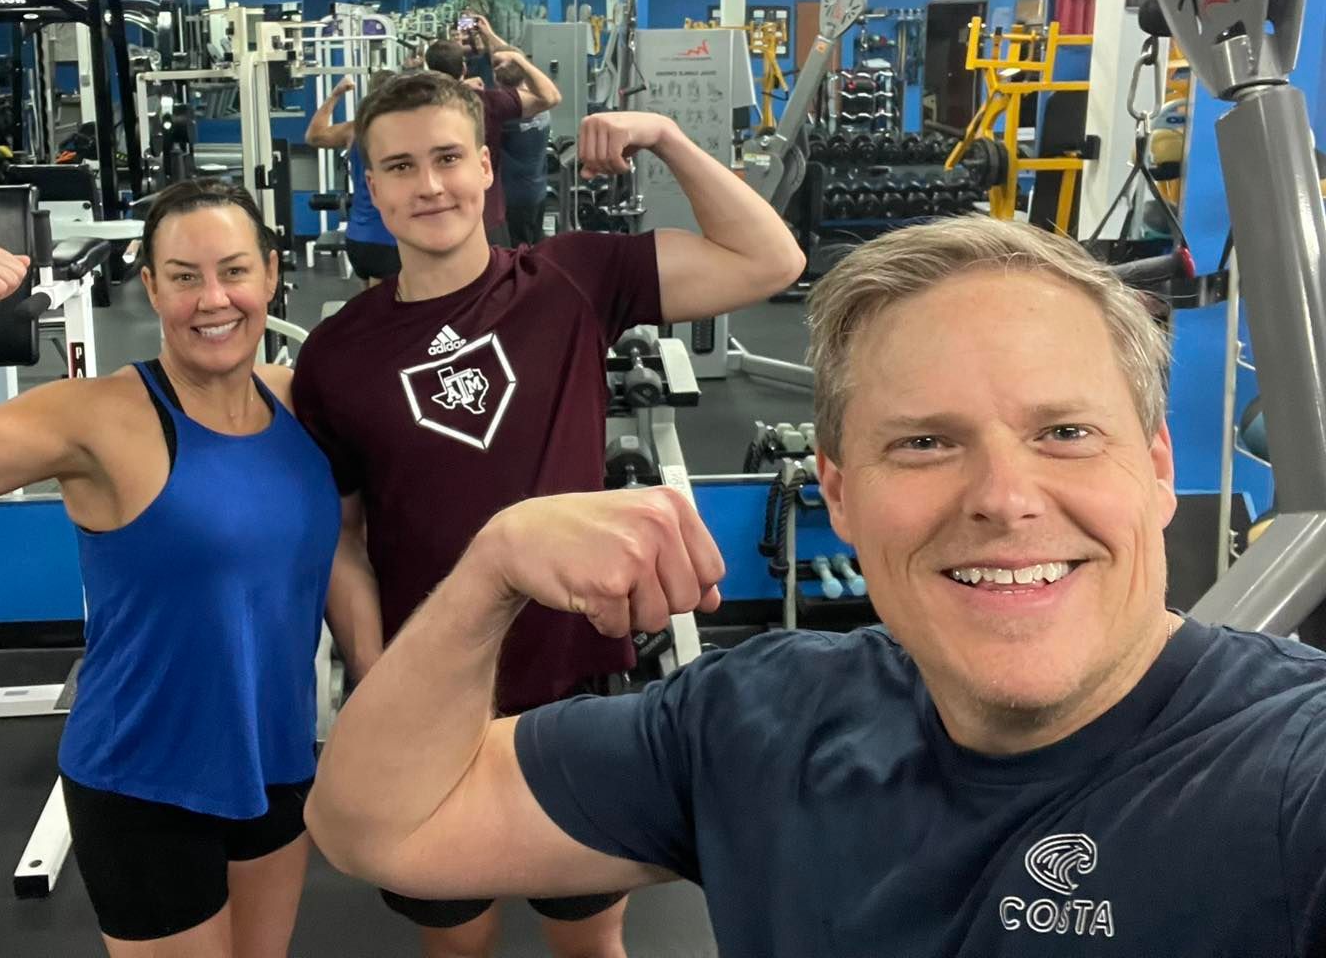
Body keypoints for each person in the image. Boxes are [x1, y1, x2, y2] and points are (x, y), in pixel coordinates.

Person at [303, 215, 1326, 957]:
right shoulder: (762, 724)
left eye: (1064, 433)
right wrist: (491, 570)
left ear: (1155, 467)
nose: (1005, 498)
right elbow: (379, 824)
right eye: (924, 443)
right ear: (837, 492)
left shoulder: (1291, 771)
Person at [290, 72, 803, 958]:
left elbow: (773, 261)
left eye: (449, 158)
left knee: (589, 939)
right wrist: (380, 673)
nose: (431, 185)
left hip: (575, 682)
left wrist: (668, 139)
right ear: (370, 189)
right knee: (457, 941)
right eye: (401, 167)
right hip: (438, 686)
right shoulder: (337, 356)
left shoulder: (571, 278)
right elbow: (342, 536)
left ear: (488, 168)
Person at [0, 179, 379, 958]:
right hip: (143, 781)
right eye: (184, 277)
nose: (212, 299)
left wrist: (383, 703)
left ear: (272, 273)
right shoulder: (97, 416)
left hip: (276, 764)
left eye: (234, 271)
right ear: (150, 287)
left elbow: (345, 556)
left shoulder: (297, 401)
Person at [423, 23, 561, 246]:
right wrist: (518, 60)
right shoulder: (489, 104)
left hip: (445, 217)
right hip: (490, 216)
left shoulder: (419, 108)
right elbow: (551, 96)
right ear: (464, 69)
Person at [305, 70, 401, 286]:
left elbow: (313, 136)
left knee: (369, 313)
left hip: (358, 238)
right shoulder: (402, 134)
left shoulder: (355, 130)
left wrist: (336, 94)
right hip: (388, 240)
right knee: (388, 315)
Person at [494, 52, 552, 247]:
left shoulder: (507, 118)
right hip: (537, 192)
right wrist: (517, 60)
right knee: (535, 243)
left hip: (514, 198)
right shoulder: (543, 108)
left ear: (497, 82)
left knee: (520, 251)